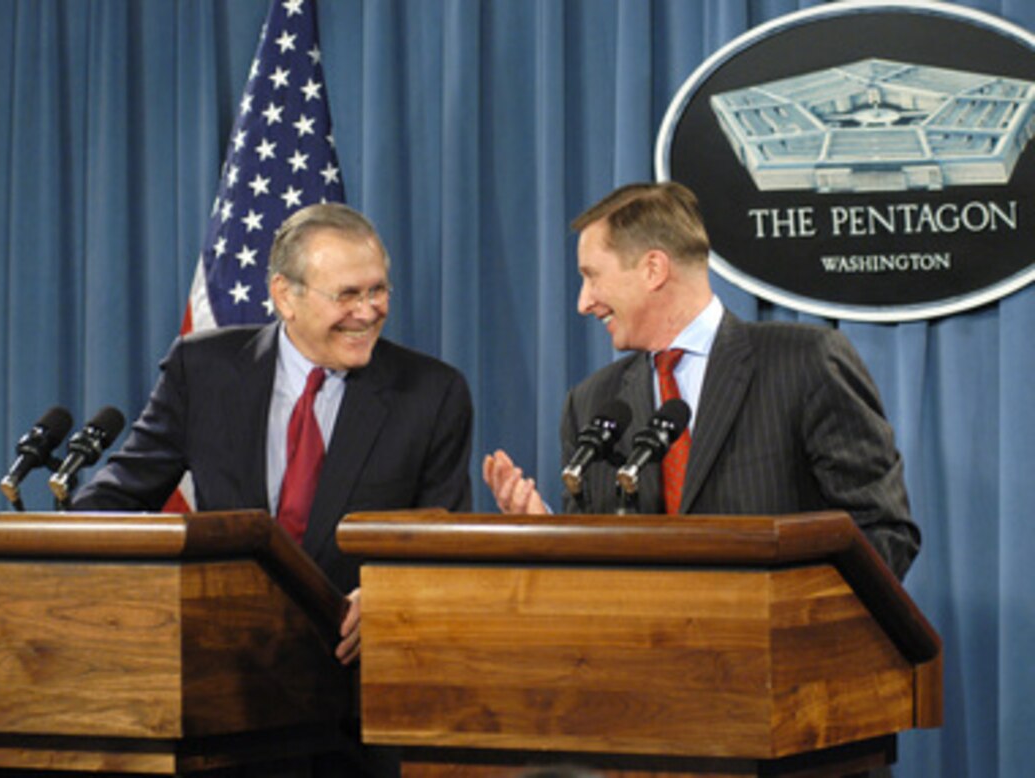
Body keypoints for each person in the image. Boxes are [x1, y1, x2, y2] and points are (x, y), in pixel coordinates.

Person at [72, 203, 473, 776]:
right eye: (348, 295)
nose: (368, 312)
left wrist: (392, 597)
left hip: (354, 711)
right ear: (285, 295)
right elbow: (112, 502)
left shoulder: (432, 393)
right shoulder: (203, 370)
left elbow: (442, 543)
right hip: (223, 703)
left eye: (379, 290)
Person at [483, 181, 919, 580]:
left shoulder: (805, 363)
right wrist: (548, 533)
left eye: (591, 276)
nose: (583, 302)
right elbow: (598, 569)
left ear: (653, 269)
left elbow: (882, 533)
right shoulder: (592, 403)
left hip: (780, 653)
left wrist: (797, 618)